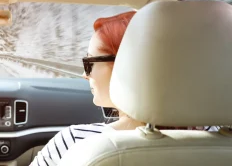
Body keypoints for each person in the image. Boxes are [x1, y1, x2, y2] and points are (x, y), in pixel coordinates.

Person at [29, 11, 217, 166]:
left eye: (89, 63)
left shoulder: (75, 143)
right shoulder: (218, 142)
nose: (85, 75)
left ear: (125, 66)